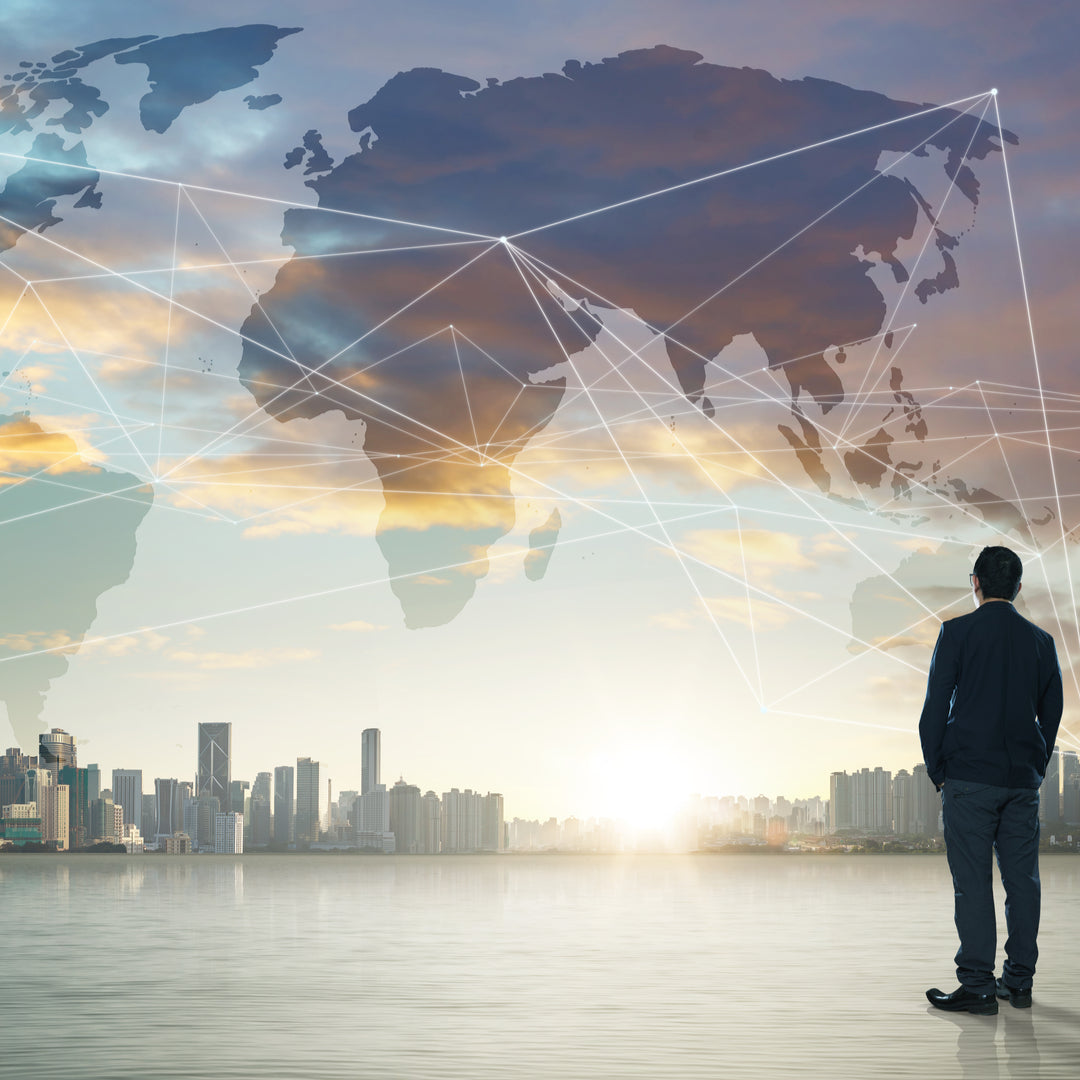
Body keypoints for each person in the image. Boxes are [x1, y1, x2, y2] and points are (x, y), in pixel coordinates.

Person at [919, 545, 1062, 1015]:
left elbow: (934, 710)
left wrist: (939, 773)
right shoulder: (1041, 642)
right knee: (1024, 881)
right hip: (1021, 781)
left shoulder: (956, 632)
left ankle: (978, 985)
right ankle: (1018, 983)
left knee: (972, 883)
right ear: (1018, 588)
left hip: (968, 779)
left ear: (974, 583)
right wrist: (1036, 766)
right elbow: (1052, 711)